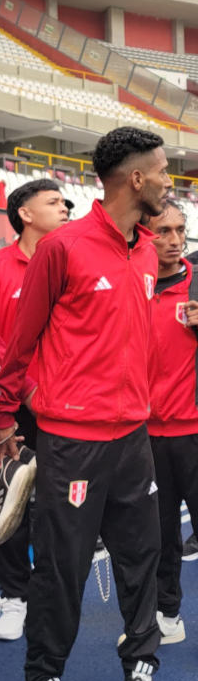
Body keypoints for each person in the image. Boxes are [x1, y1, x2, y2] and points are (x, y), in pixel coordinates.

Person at [0, 126, 170, 681]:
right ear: (136, 178)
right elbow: (21, 341)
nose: (170, 181)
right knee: (62, 569)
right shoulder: (63, 248)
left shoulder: (146, 250)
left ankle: (140, 674)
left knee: (141, 561)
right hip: (71, 441)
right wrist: (1, 418)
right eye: (163, 169)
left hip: (134, 438)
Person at [0, 179, 68, 641]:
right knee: (6, 498)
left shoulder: (73, 259)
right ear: (24, 214)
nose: (65, 206)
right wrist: (25, 390)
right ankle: (13, 594)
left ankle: (48, 591)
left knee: (58, 501)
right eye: (53, 202)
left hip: (64, 404)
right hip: (9, 404)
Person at [147, 202, 198, 648]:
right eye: (164, 230)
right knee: (160, 536)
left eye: (180, 229)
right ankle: (167, 610)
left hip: (195, 432)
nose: (176, 239)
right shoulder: (129, 285)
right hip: (144, 437)